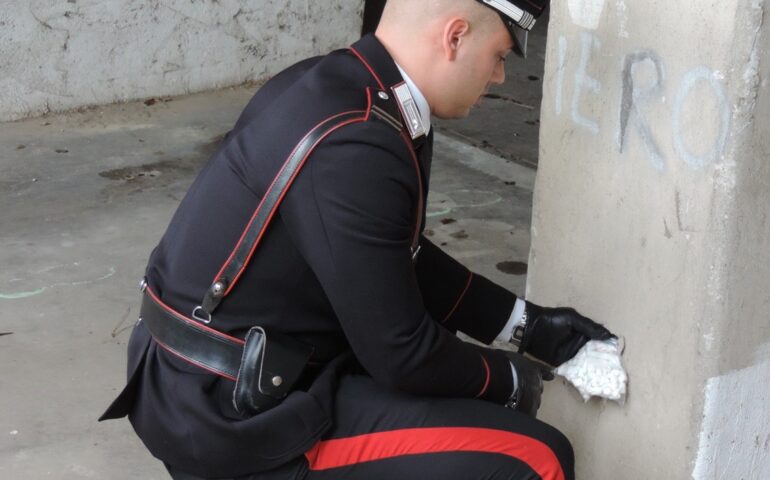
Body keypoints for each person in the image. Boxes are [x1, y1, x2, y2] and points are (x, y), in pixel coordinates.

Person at [100, 1, 615, 479]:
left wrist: (529, 328)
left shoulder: (337, 84)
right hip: (233, 414)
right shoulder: (359, 139)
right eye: (499, 55)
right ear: (455, 36)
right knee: (536, 455)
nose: (501, 76)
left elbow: (391, 256)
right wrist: (510, 379)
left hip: (212, 374)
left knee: (458, 375)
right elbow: (401, 352)